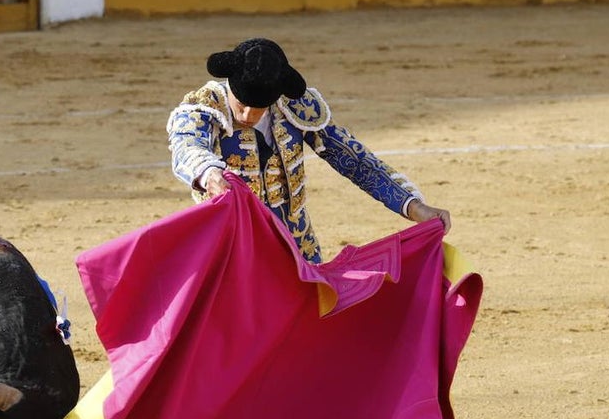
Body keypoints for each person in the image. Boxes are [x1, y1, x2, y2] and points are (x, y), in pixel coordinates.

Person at [167, 37, 451, 263]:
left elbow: (355, 161)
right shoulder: (204, 109)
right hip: (230, 251)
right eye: (242, 104)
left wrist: (414, 207)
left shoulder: (294, 108)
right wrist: (208, 172)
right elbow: (186, 146)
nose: (250, 114)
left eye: (260, 106)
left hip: (297, 249)